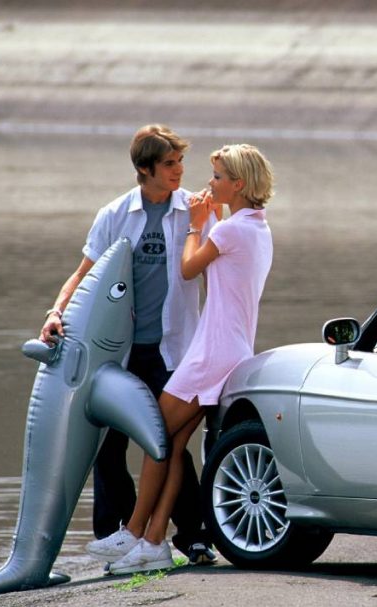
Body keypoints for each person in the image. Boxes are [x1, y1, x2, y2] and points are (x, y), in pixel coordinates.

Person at [87, 143, 275, 573]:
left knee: (155, 435)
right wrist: (212, 221)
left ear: (238, 184)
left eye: (217, 177)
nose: (209, 183)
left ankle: (134, 532)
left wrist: (195, 226)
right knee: (170, 444)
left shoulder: (227, 231)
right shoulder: (255, 227)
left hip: (210, 353)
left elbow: (188, 268)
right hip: (230, 347)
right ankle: (152, 543)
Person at [42, 124, 216, 565]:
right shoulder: (115, 214)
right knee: (109, 445)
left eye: (181, 162)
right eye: (170, 163)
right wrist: (55, 313)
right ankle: (116, 535)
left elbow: (216, 277)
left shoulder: (195, 211)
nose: (179, 171)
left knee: (166, 439)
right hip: (116, 350)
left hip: (174, 347)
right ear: (145, 168)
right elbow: (83, 274)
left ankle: (193, 537)